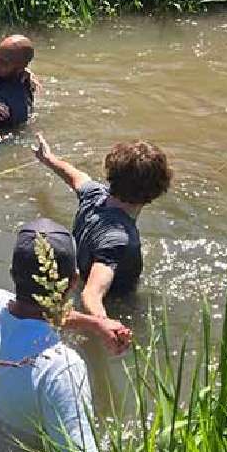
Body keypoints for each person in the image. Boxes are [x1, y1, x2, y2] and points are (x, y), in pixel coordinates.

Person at [0, 219, 125, 452]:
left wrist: (95, 323)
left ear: (12, 274)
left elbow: (32, 312)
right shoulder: (61, 369)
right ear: (73, 281)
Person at [32, 134, 172, 319]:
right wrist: (107, 328)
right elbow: (91, 295)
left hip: (78, 275)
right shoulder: (118, 241)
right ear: (156, 191)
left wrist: (47, 158)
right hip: (116, 307)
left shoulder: (94, 195)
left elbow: (73, 175)